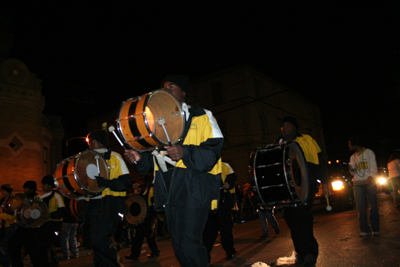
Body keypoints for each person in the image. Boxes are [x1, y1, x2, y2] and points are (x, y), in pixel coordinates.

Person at [124, 74, 224, 267]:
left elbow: (213, 151)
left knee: (188, 242)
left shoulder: (203, 115)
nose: (166, 90)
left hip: (195, 187)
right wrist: (138, 159)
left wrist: (184, 151)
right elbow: (150, 160)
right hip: (169, 190)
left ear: (183, 93)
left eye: (172, 87)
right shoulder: (156, 122)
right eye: (164, 87)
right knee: (179, 245)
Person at [274, 116, 328, 266]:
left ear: (295, 127)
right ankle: (300, 252)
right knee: (291, 220)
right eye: (283, 125)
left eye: (288, 125)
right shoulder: (278, 143)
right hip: (288, 188)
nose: (285, 128)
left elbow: (320, 160)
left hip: (306, 184)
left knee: (303, 218)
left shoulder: (307, 139)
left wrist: (325, 182)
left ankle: (310, 252)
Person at [85, 130, 133, 267]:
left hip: (110, 204)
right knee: (95, 243)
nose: (90, 145)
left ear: (99, 141)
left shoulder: (114, 157)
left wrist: (106, 183)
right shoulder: (88, 159)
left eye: (91, 142)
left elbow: (126, 182)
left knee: (99, 241)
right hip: (94, 205)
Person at [203, 162, 237, 262]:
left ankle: (230, 251)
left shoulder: (224, 165)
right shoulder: (203, 166)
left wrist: (228, 183)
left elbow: (232, 176)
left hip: (223, 203)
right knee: (209, 232)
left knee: (226, 229)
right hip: (209, 203)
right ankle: (205, 255)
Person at [348, 135, 379, 237]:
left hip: (369, 183)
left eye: (350, 144)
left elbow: (373, 166)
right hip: (357, 184)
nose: (349, 146)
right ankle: (365, 230)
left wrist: (371, 176)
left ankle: (375, 229)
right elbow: (353, 174)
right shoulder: (352, 157)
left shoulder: (369, 152)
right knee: (361, 207)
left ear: (354, 144)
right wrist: (351, 170)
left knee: (372, 206)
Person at [125, 175, 160, 261]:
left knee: (147, 236)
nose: (141, 182)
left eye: (142, 181)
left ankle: (150, 252)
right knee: (141, 236)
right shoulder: (141, 192)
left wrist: (152, 217)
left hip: (148, 217)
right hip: (142, 217)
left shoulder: (151, 191)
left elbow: (153, 205)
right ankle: (136, 254)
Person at [8, 180, 38, 267]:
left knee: (32, 250)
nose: (24, 190)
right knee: (13, 245)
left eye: (26, 188)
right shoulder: (25, 198)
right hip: (24, 226)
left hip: (32, 228)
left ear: (31, 190)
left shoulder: (36, 199)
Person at [0, 184, 15, 267]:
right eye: (1, 191)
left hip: (9, 226)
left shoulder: (12, 201)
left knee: (8, 247)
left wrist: (1, 215)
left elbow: (14, 216)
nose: (2, 192)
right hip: (3, 226)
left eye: (4, 191)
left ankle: (8, 262)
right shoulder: (2, 200)